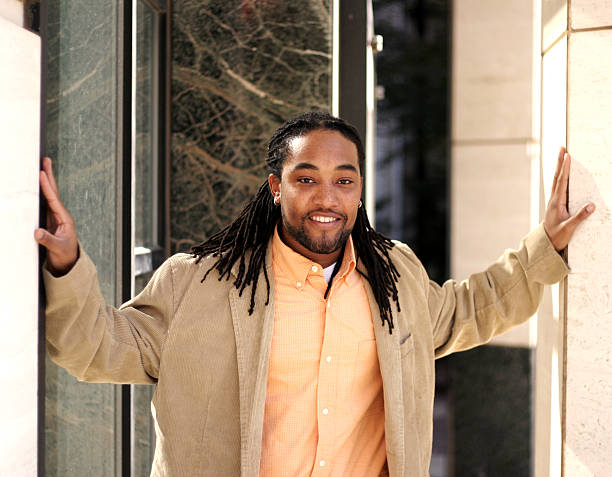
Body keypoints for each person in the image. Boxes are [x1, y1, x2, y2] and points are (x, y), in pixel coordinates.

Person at [36, 112, 595, 477]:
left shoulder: (395, 277)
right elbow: (97, 348)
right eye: (306, 178)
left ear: (358, 191)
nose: (326, 196)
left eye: (344, 180)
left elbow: (468, 309)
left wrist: (544, 246)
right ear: (277, 188)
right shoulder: (199, 282)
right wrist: (66, 264)